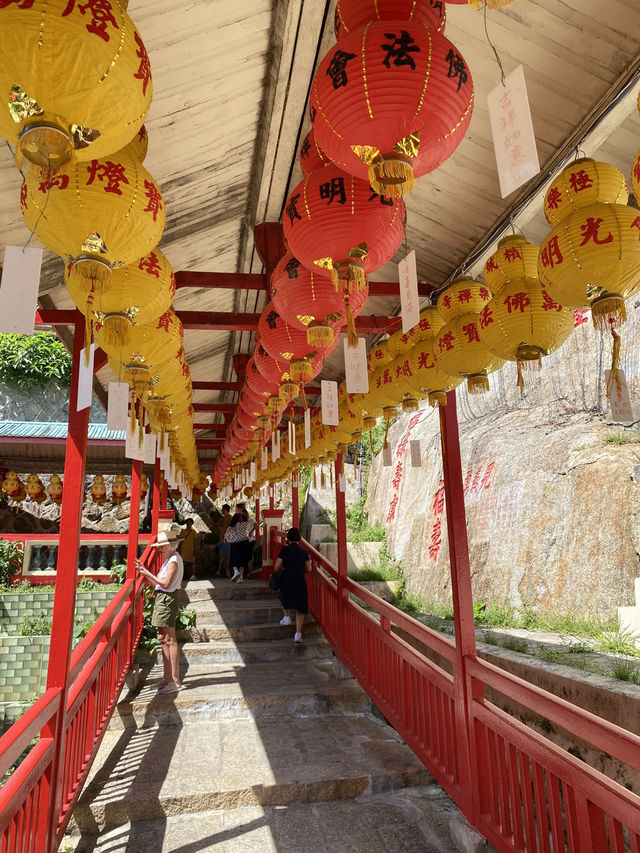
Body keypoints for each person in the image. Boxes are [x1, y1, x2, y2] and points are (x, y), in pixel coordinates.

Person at [135, 523, 184, 694]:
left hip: (168, 599)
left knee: (170, 638)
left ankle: (175, 680)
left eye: (162, 547)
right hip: (163, 597)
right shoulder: (169, 559)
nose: (160, 550)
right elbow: (160, 584)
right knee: (163, 637)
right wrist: (145, 573)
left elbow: (165, 583)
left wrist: (147, 573)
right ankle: (167, 677)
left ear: (170, 546)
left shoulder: (174, 561)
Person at [274, 527, 311, 643]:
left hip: (287, 577)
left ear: (288, 538)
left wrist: (284, 569)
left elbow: (276, 566)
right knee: (300, 606)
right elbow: (309, 569)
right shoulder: (303, 552)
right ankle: (298, 634)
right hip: (299, 579)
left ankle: (286, 617)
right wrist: (299, 571)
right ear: (299, 538)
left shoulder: (285, 550)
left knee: (284, 596)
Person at [225, 504, 253, 582]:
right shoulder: (246, 517)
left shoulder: (236, 516)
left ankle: (236, 571)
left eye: (236, 508)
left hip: (236, 540)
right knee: (243, 559)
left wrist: (226, 535)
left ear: (240, 509)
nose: (235, 510)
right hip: (245, 540)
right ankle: (240, 578)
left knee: (234, 556)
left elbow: (230, 526)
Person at [213, 504, 232, 577]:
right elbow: (215, 525)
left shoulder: (230, 518)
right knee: (225, 556)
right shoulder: (223, 518)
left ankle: (219, 571)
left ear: (225, 509)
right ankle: (226, 572)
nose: (221, 510)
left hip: (226, 539)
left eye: (222, 509)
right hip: (222, 539)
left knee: (223, 556)